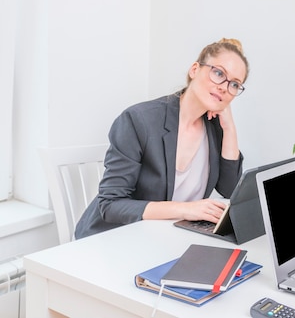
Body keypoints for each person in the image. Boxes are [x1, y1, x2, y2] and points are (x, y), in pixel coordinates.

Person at [75, 38, 249, 239]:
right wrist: (186, 209)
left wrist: (229, 128)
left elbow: (230, 190)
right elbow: (111, 205)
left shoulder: (215, 129)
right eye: (218, 73)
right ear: (195, 70)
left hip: (164, 238)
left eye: (234, 84)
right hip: (112, 238)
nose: (224, 87)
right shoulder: (139, 120)